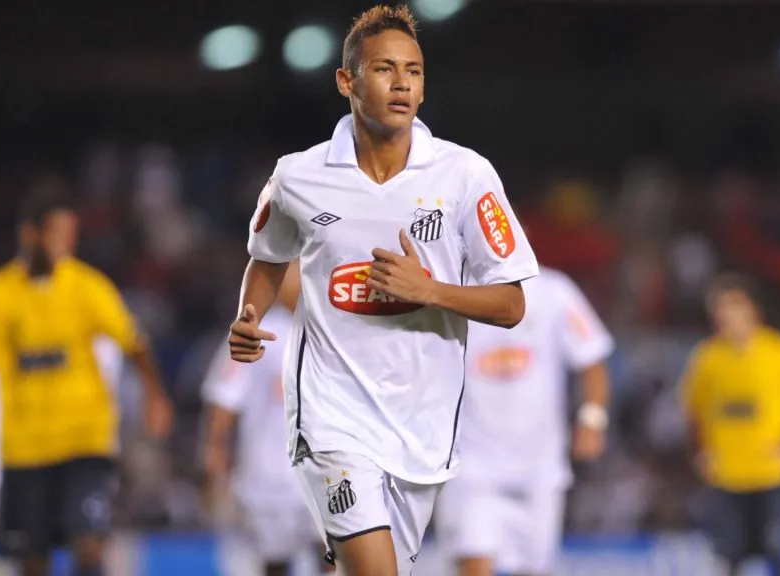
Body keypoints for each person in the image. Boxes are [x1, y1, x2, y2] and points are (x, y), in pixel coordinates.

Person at [227, 5, 540, 576]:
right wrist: (249, 313)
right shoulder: (299, 176)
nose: (402, 83)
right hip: (330, 418)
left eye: (414, 71)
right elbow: (267, 259)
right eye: (385, 69)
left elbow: (512, 304)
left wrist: (431, 290)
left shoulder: (465, 176)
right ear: (347, 81)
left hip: (422, 426)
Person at [0, 190, 174, 576]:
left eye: (70, 233)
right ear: (30, 235)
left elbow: (134, 341)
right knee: (31, 559)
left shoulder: (87, 286)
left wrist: (154, 394)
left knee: (89, 546)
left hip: (84, 442)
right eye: (58, 233)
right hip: (24, 448)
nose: (66, 243)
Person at [436, 267, 614, 576]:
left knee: (533, 569)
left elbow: (591, 356)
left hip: (539, 467)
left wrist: (593, 419)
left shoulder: (554, 291)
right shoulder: (451, 289)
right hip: (470, 464)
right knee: (474, 564)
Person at [680, 273, 780, 576]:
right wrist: (701, 450)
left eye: (732, 306)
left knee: (775, 549)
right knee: (729, 556)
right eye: (719, 308)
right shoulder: (708, 358)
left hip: (771, 473)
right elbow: (692, 408)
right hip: (726, 475)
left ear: (753, 310)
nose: (725, 315)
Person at [201, 262, 330, 576]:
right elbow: (224, 397)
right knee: (275, 563)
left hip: (325, 471)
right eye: (294, 272)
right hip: (270, 477)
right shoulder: (255, 331)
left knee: (333, 558)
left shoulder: (330, 330)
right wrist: (215, 451)